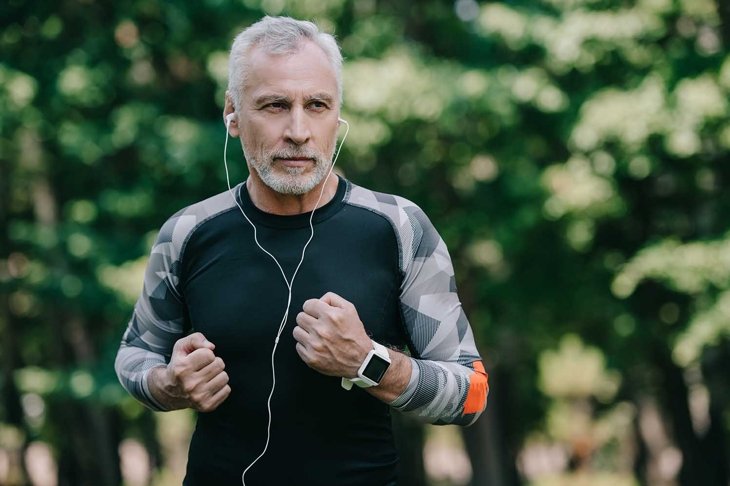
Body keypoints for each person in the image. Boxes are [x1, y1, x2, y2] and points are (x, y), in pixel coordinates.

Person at [115, 15, 488, 486]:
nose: (298, 130)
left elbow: (471, 394)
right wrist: (167, 384)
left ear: (337, 114)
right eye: (273, 105)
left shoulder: (398, 227)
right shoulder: (187, 231)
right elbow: (135, 354)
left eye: (316, 105)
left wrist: (366, 362)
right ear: (232, 113)